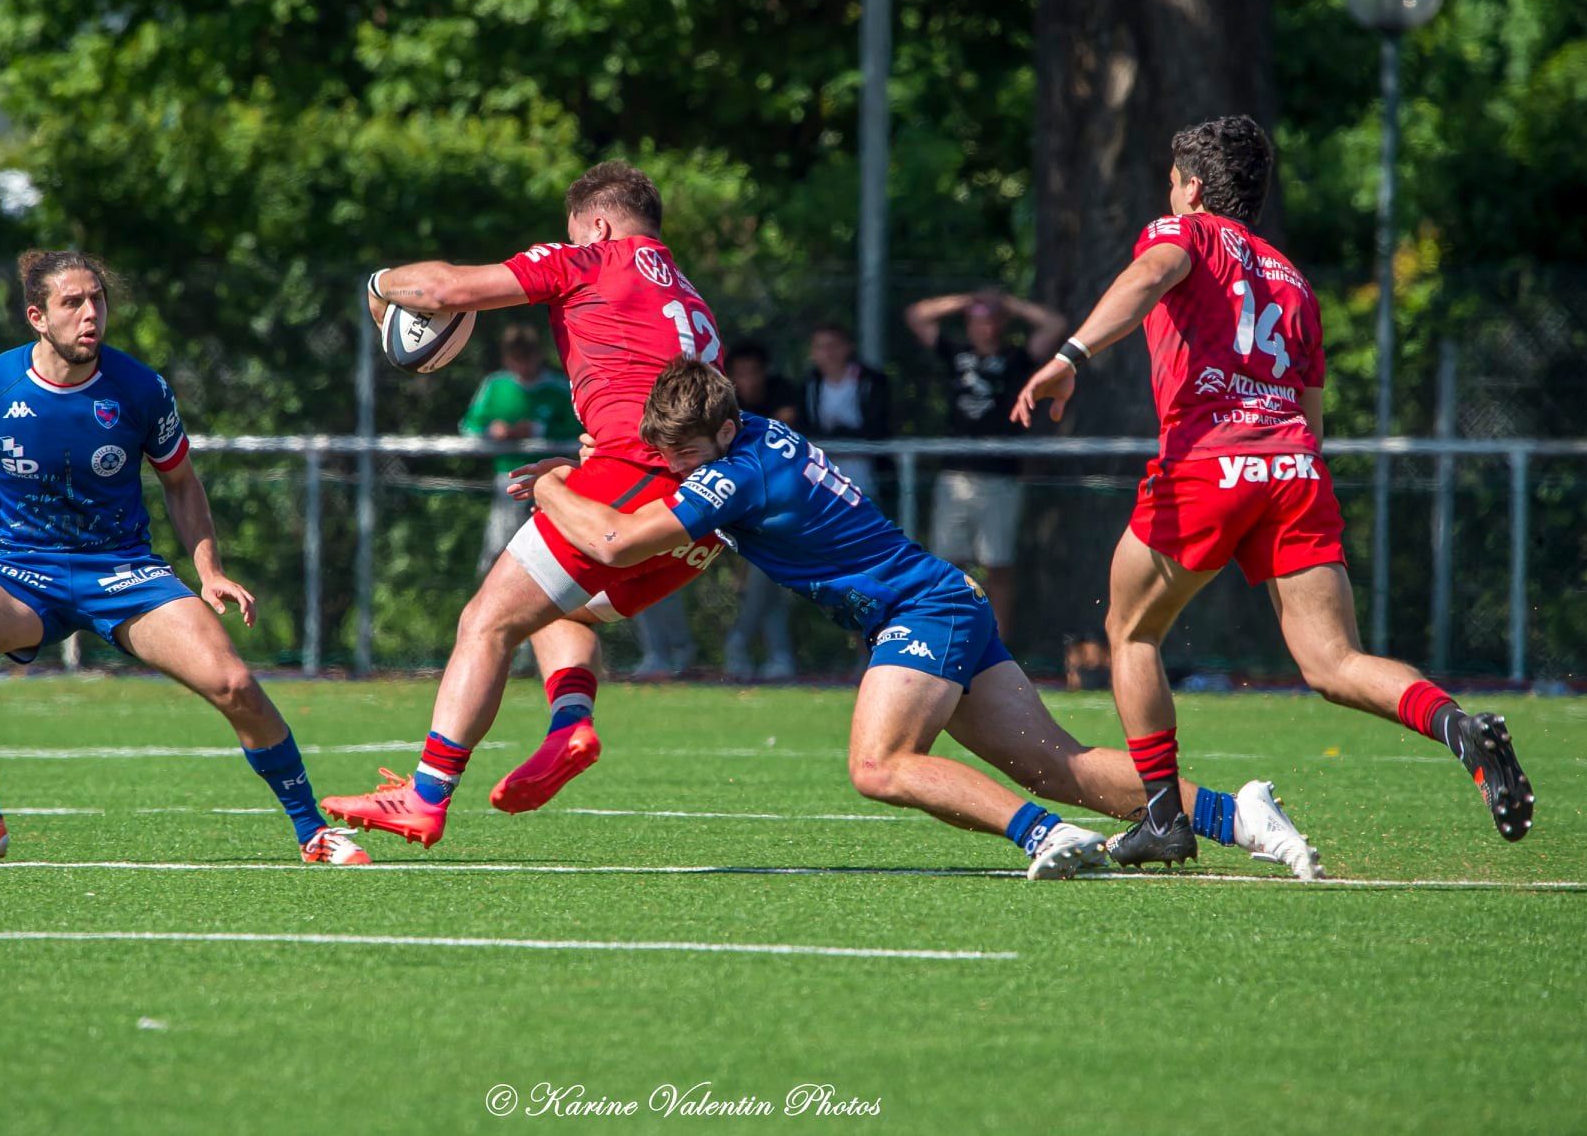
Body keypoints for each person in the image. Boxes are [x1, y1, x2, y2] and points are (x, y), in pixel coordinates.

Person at [511, 356, 1324, 880]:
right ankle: (1237, 814)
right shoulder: (755, 437)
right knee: (1060, 764)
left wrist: (550, 485)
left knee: (880, 763)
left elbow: (616, 544)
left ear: (722, 434)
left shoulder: (733, 476)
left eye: (684, 456)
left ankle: (1045, 837)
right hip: (944, 597)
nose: (675, 470)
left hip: (922, 610)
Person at [1011, 114, 1534, 866]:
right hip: (1292, 470)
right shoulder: (1293, 279)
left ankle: (1164, 816)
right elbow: (1311, 417)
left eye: (1172, 181)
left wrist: (1071, 354)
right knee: (1334, 662)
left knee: (1132, 633)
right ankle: (1460, 728)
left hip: (1209, 463)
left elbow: (1147, 275)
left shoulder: (1183, 233)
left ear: (1192, 187)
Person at [0, 250, 368, 866]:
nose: (91, 314)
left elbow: (182, 483)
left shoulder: (139, 388)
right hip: (20, 573)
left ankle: (312, 830)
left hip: (124, 573)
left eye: (98, 300)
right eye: (73, 303)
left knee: (235, 682)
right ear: (37, 316)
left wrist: (209, 569)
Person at [321, 161, 731, 844]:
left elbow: (443, 289)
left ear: (595, 224)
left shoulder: (591, 258)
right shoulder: (685, 292)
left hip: (636, 478)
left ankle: (425, 796)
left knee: (485, 622)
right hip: (705, 508)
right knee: (559, 606)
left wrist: (377, 284)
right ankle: (569, 727)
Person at [904, 288, 1067, 644]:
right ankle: (946, 639)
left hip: (1000, 477)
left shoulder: (1017, 358)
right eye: (978, 320)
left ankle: (997, 647)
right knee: (948, 564)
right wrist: (964, 300)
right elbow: (917, 314)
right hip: (955, 476)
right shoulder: (956, 353)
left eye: (992, 319)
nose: (986, 328)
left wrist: (1008, 303)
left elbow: (1055, 325)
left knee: (999, 567)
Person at [460, 324, 581, 573]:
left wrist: (538, 430)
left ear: (539, 356)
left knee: (553, 550)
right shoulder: (495, 386)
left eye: (528, 358)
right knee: (499, 545)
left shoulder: (558, 388)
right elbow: (469, 425)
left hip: (553, 479)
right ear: (506, 359)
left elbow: (578, 431)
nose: (524, 366)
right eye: (516, 359)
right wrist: (491, 431)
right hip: (509, 480)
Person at [722, 340, 799, 680]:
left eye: (753, 374)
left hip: (780, 498)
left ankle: (741, 645)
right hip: (736, 500)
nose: (747, 382)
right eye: (740, 375)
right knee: (763, 580)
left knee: (766, 577)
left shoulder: (782, 392)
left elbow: (781, 431)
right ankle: (776, 655)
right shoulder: (721, 402)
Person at [798, 322, 889, 498]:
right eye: (820, 347)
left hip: (866, 478)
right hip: (822, 480)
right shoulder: (809, 385)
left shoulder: (870, 381)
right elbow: (804, 427)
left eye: (833, 346)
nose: (828, 353)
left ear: (848, 348)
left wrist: (845, 435)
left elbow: (879, 425)